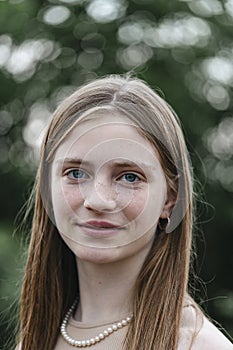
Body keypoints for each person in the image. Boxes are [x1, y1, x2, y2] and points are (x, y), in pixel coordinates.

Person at [16, 75, 232, 350]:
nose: (98, 200)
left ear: (171, 199)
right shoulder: (35, 339)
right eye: (76, 173)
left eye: (129, 177)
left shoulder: (198, 346)